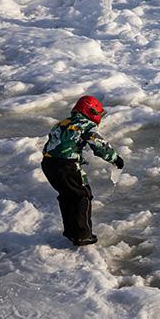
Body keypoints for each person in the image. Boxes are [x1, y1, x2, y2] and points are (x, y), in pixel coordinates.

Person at [41, 95, 124, 247]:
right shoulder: (85, 124)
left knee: (67, 196)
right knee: (82, 195)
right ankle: (82, 235)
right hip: (67, 165)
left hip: (48, 164)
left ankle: (70, 231)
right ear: (90, 111)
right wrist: (114, 158)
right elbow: (98, 144)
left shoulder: (62, 123)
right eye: (98, 114)